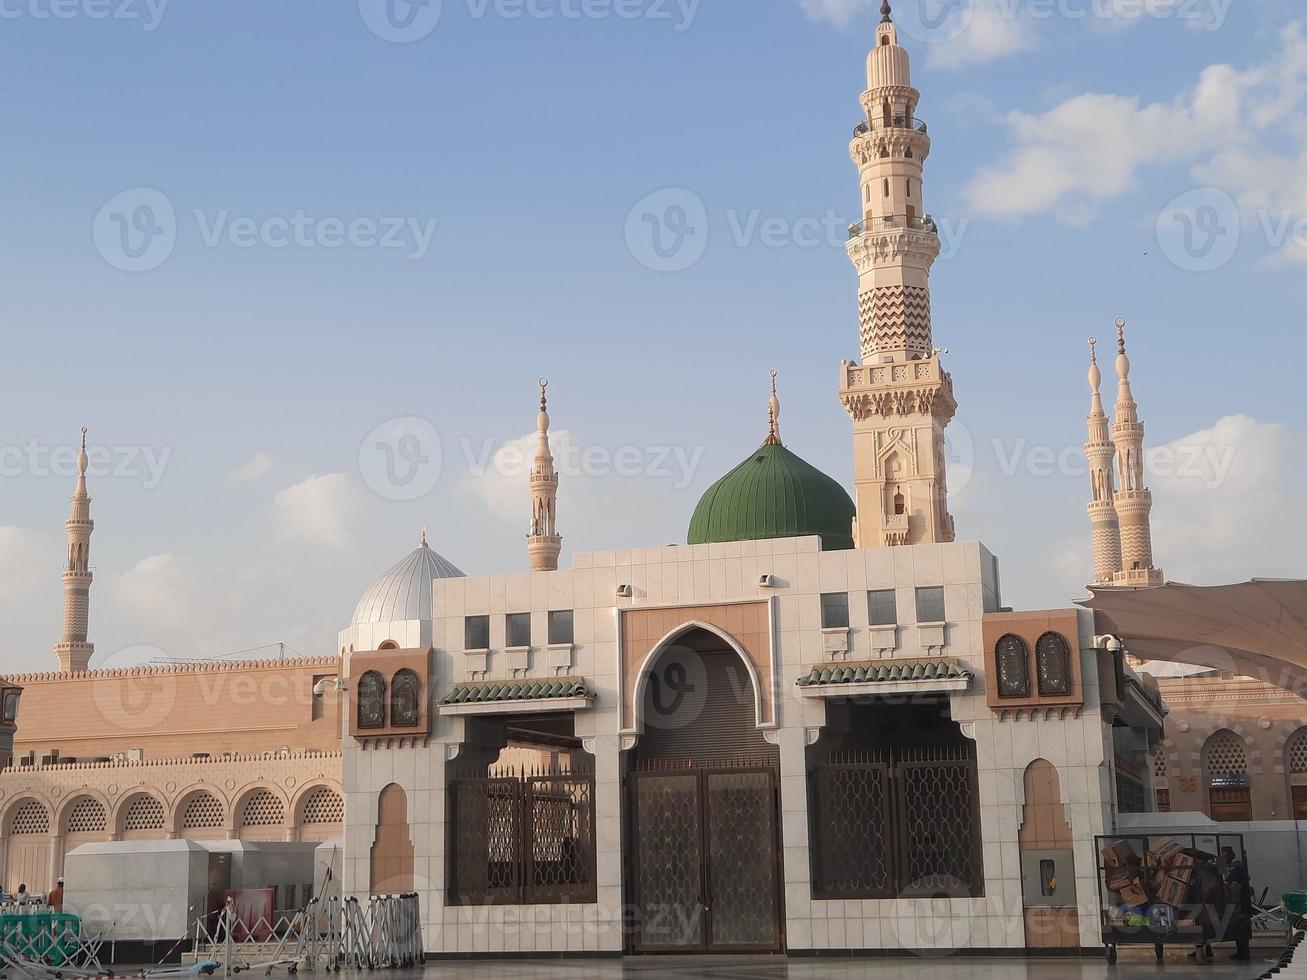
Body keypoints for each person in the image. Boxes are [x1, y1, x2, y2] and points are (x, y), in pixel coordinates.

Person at [1221, 846, 1253, 961]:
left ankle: (1244, 953)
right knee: (1239, 929)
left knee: (1242, 929)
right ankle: (1241, 952)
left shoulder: (1236, 867)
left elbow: (1229, 882)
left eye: (1225, 856)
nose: (1224, 859)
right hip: (1240, 904)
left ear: (1231, 855)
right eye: (1223, 856)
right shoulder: (1235, 866)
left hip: (1241, 904)